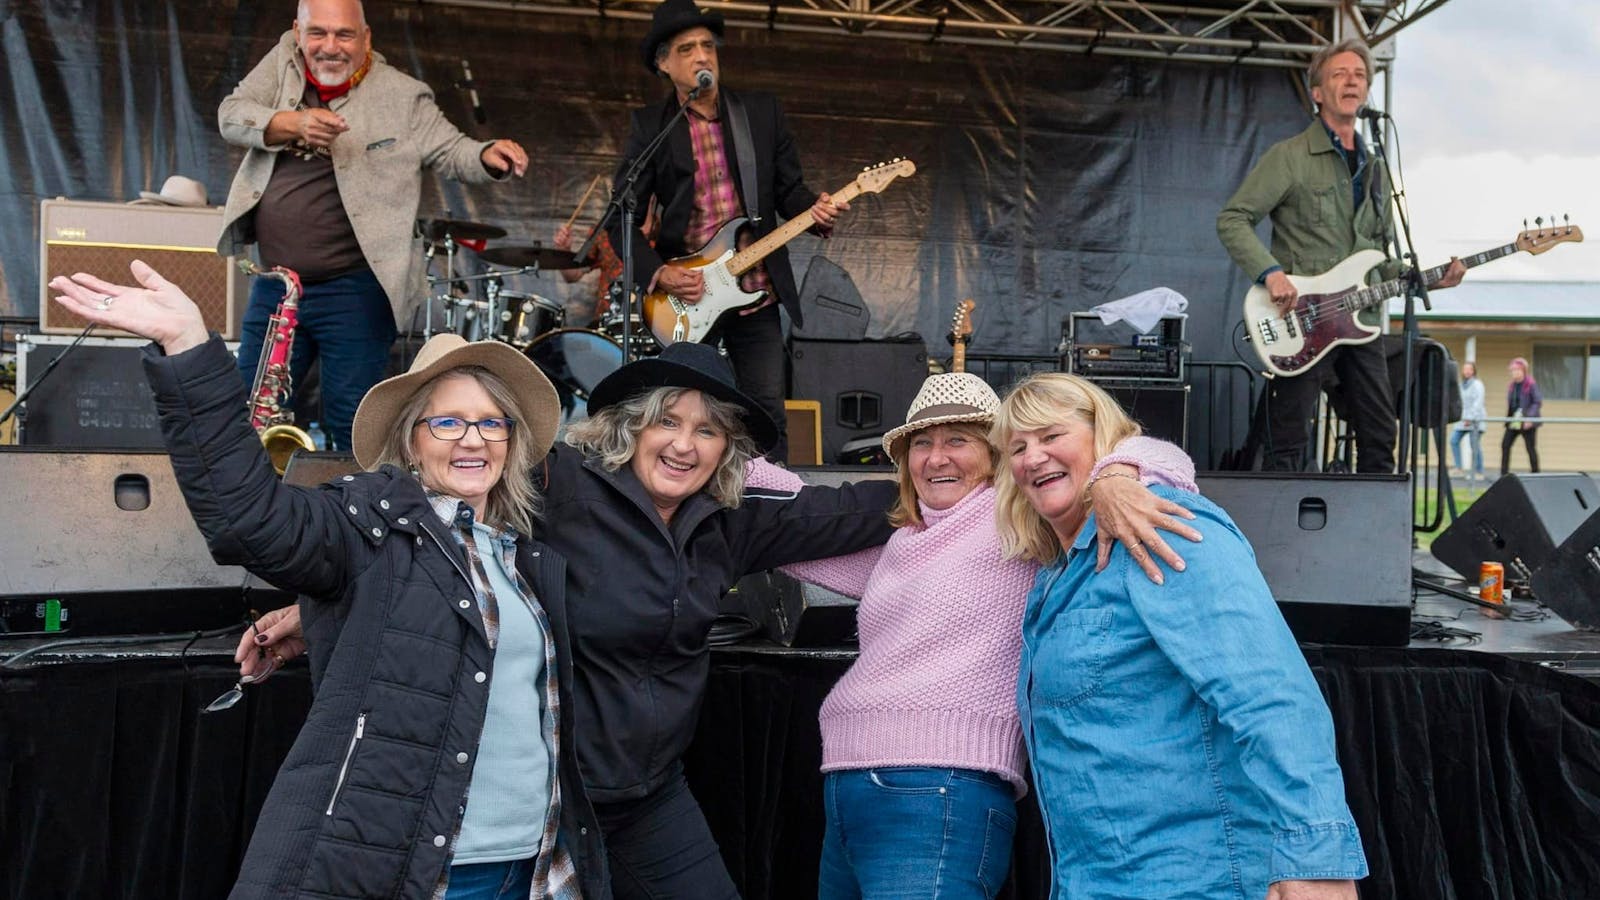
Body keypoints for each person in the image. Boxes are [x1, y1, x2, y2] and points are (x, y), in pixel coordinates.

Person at [49, 262, 604, 898]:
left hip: (533, 867)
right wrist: (188, 349)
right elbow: (248, 521)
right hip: (427, 874)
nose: (472, 439)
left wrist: (317, 618)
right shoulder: (368, 524)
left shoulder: (520, 554)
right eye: (448, 422)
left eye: (491, 421)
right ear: (411, 440)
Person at [747, 372, 1201, 899]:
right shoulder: (904, 540)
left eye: (957, 440)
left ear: (996, 455)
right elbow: (796, 516)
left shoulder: (1018, 518)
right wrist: (718, 452)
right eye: (922, 444)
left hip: (944, 784)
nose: (936, 458)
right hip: (848, 782)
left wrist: (1115, 476)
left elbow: (1168, 460)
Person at [992, 372, 1368, 900]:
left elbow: (1272, 698)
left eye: (1052, 436)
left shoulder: (1158, 524)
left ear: (1104, 439)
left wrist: (1316, 860)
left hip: (1197, 878)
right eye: (1018, 448)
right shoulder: (1056, 572)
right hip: (1100, 880)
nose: (1034, 457)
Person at [218, 0, 530, 453]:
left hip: (356, 288)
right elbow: (231, 115)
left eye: (344, 35)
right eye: (318, 33)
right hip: (277, 284)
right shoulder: (281, 63)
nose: (330, 46)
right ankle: (255, 500)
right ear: (298, 33)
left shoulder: (403, 94)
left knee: (353, 419)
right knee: (250, 413)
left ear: (366, 38)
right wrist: (292, 123)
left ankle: (351, 500)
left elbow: (452, 150)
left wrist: (486, 155)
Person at [609, 0, 848, 461]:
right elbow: (621, 220)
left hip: (756, 290)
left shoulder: (759, 113)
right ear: (664, 64)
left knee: (765, 412)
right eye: (686, 49)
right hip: (689, 294)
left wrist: (814, 209)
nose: (702, 55)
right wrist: (660, 273)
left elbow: (789, 191)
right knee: (678, 409)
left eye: (707, 45)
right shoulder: (651, 126)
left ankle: (767, 495)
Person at [1217, 38, 1464, 474]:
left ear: (1367, 90)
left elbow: (1378, 257)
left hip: (1357, 321)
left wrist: (1426, 277)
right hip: (1302, 320)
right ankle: (1281, 519)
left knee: (1379, 435)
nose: (1352, 81)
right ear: (1317, 92)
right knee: (1287, 439)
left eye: (1360, 75)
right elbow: (1233, 219)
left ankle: (1369, 519)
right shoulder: (1290, 157)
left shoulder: (1377, 169)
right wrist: (1271, 274)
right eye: (1339, 74)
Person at [1500, 356, 1542, 475]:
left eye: (1517, 370)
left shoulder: (1530, 384)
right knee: (1505, 445)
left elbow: (1537, 402)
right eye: (1513, 370)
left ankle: (1535, 473)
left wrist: (1529, 418)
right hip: (1514, 420)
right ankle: (1504, 474)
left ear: (1523, 371)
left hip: (1527, 421)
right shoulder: (1512, 386)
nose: (1515, 373)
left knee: (1530, 448)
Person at [1450, 360, 1486, 479]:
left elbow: (1478, 403)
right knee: (1454, 440)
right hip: (1462, 420)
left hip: (1475, 420)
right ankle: (1459, 468)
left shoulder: (1477, 385)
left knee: (1474, 445)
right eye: (1465, 369)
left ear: (1474, 371)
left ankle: (1478, 471)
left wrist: (1470, 418)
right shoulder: (1461, 385)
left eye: (1469, 369)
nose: (1467, 371)